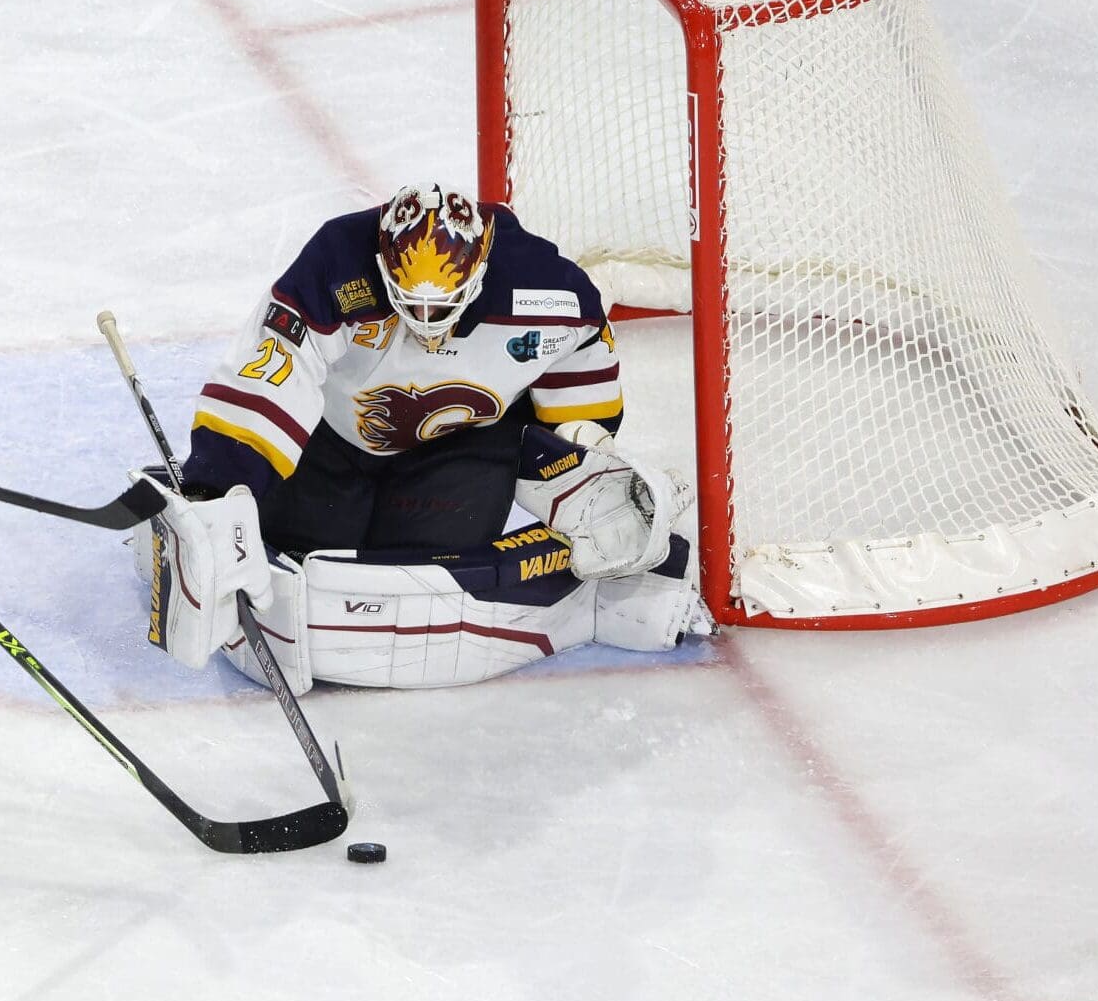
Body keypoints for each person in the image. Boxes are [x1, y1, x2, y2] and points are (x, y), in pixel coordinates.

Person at [136, 181, 711, 694]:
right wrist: (222, 485)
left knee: (415, 572)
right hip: (336, 443)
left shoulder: (548, 289)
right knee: (299, 548)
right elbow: (273, 368)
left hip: (460, 452)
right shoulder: (339, 261)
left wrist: (583, 462)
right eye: (409, 301)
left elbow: (580, 384)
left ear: (481, 265)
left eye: (442, 304)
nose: (427, 320)